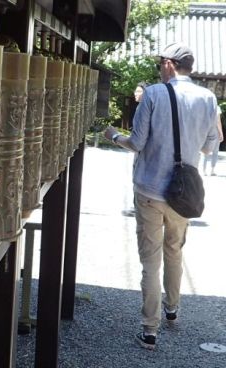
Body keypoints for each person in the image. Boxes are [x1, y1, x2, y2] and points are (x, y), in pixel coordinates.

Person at [103, 42, 219, 350]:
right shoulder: (208, 98)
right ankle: (172, 309)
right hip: (184, 194)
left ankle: (149, 329)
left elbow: (136, 143)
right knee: (175, 252)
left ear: (169, 64)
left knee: (150, 261)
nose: (158, 68)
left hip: (150, 191)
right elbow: (211, 148)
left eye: (160, 63)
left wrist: (113, 135)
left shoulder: (154, 94)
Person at [202, 106, 224, 175]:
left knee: (205, 151)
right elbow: (218, 121)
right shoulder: (216, 107)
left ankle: (204, 170)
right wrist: (221, 133)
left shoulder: (204, 107)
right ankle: (212, 170)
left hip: (206, 130)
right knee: (215, 151)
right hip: (215, 131)